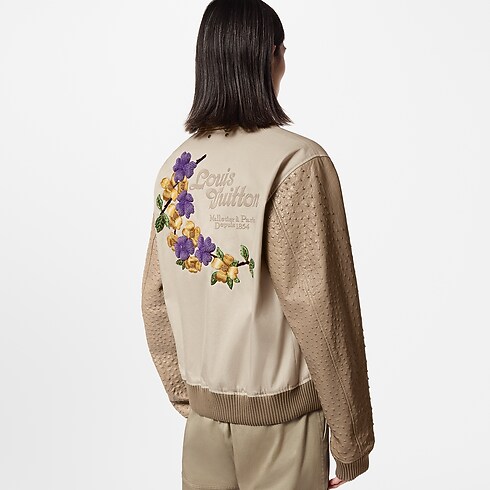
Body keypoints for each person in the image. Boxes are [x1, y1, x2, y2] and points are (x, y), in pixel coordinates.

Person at [141, 1, 375, 488]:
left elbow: (154, 300)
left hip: (204, 425)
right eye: (283, 51)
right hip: (284, 427)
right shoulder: (298, 162)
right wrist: (351, 439)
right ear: (270, 56)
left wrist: (193, 399)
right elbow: (320, 308)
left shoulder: (177, 168)